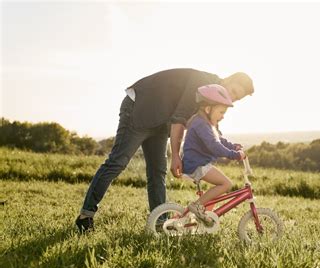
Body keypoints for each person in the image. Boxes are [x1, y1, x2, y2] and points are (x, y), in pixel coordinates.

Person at [75, 68, 254, 233]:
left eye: (236, 98)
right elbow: (180, 118)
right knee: (117, 162)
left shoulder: (214, 98)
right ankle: (86, 216)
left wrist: (230, 147)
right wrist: (176, 155)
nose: (231, 98)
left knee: (157, 171)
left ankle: (160, 223)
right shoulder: (202, 82)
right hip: (140, 107)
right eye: (234, 91)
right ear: (228, 79)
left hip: (160, 122)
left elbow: (210, 130)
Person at [182, 84, 246, 226]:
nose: (222, 117)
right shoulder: (201, 124)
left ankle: (198, 218)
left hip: (198, 163)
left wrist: (232, 146)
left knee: (214, 195)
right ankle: (197, 206)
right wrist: (234, 155)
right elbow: (215, 146)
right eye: (221, 112)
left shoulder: (206, 123)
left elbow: (219, 140)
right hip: (197, 164)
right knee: (225, 184)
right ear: (208, 109)